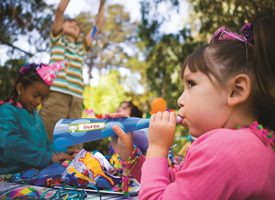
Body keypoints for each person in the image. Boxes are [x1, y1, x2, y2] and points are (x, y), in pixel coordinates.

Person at [104, 15, 275, 199]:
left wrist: (157, 148)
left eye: (191, 84)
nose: (179, 100)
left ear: (236, 91)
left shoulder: (224, 149)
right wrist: (128, 152)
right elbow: (175, 183)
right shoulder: (250, 143)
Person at [39, 0, 105, 150]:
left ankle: (73, 171)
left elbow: (97, 28)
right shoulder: (57, 40)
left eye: (77, 26)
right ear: (61, 26)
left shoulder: (81, 47)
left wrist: (102, 4)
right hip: (57, 94)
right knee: (48, 137)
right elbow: (60, 11)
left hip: (76, 99)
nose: (74, 25)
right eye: (69, 23)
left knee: (75, 143)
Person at [0, 63, 75, 175]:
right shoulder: (7, 111)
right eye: (35, 95)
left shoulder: (36, 116)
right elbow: (10, 143)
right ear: (20, 88)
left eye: (43, 98)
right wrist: (48, 158)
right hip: (11, 177)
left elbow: (46, 145)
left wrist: (66, 152)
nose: (39, 101)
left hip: (35, 176)